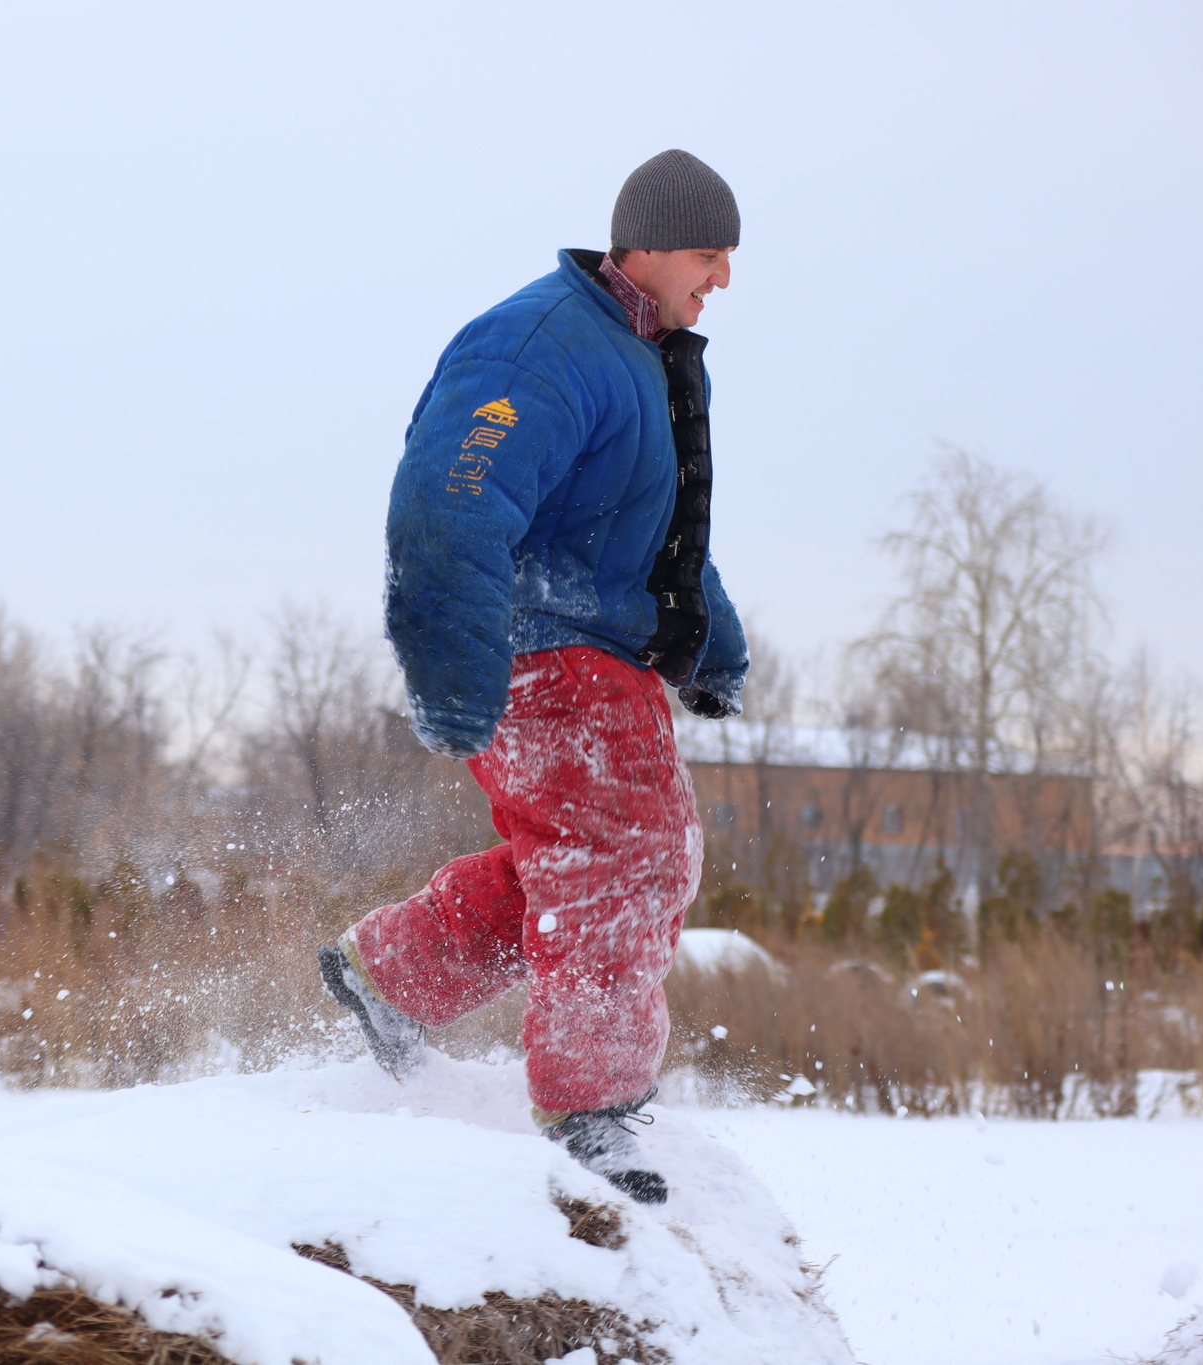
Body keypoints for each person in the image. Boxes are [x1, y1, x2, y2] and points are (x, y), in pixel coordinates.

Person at [318, 150, 749, 1204]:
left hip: (596, 656)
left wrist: (713, 642)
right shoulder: (540, 343)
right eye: (707, 254)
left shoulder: (634, 353)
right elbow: (449, 497)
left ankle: (396, 974)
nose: (723, 279)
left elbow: (652, 533)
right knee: (624, 860)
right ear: (641, 247)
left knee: (588, 857)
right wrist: (450, 663)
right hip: (548, 657)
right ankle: (590, 1113)